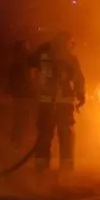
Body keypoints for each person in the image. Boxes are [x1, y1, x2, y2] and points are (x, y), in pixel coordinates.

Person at [29, 32, 86, 173]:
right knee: (65, 135)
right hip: (63, 104)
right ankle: (66, 168)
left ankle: (41, 167)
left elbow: (30, 63)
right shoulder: (70, 58)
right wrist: (81, 95)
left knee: (44, 134)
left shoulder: (43, 57)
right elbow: (78, 78)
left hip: (46, 104)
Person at [5, 40, 36, 148]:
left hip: (24, 97)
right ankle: (16, 146)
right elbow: (12, 83)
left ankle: (17, 146)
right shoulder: (21, 65)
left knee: (21, 123)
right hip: (22, 98)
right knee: (20, 123)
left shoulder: (25, 64)